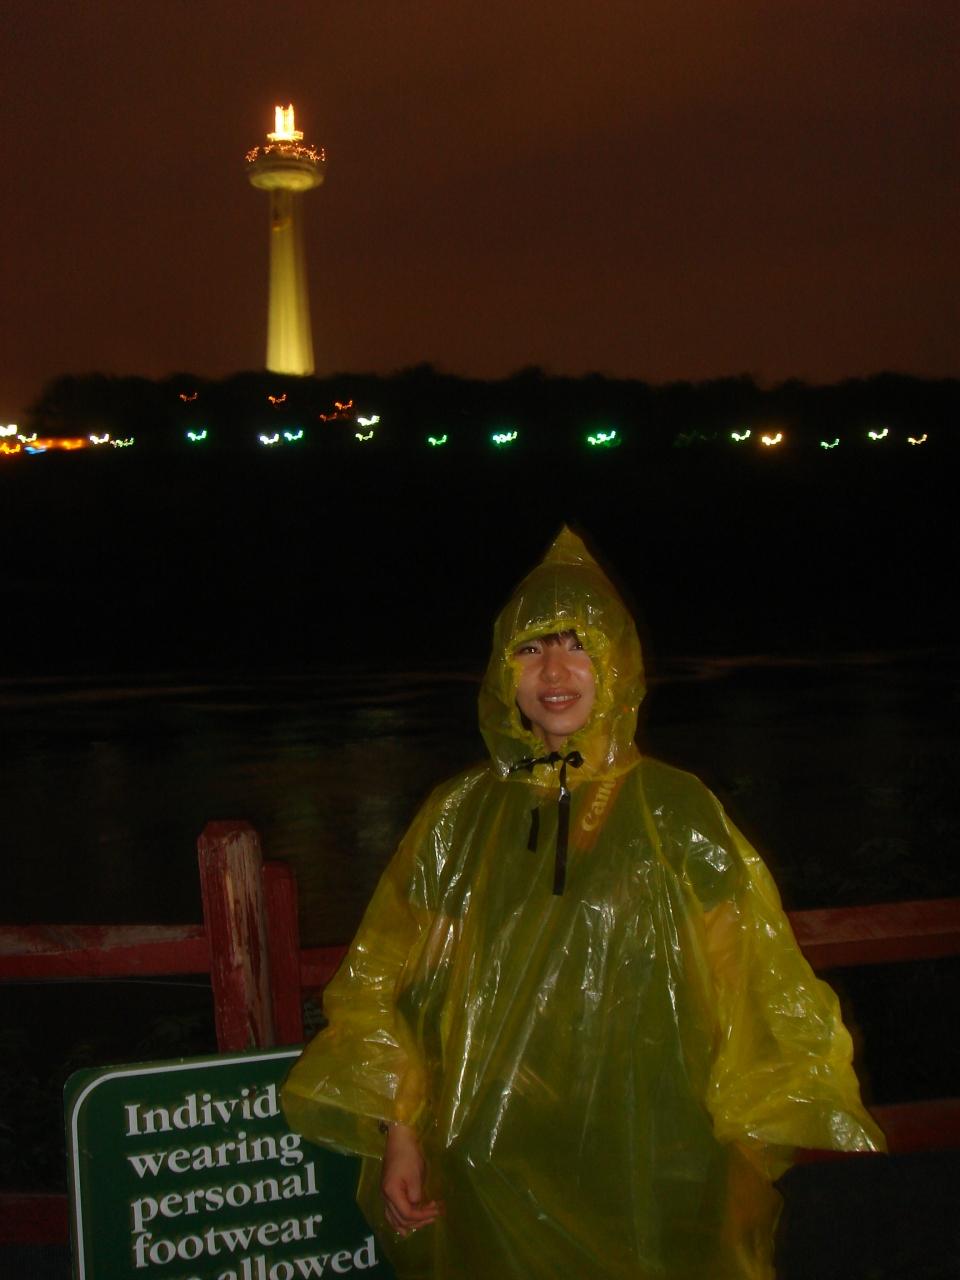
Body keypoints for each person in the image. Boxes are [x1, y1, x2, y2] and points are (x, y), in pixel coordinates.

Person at [282, 528, 884, 1279]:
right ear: (503, 671)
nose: (555, 670)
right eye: (531, 648)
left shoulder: (675, 811)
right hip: (489, 1152)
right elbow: (398, 982)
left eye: (578, 645)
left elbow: (750, 985)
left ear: (618, 665)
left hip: (652, 1153)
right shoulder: (458, 817)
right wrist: (400, 1129)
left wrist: (746, 1153)